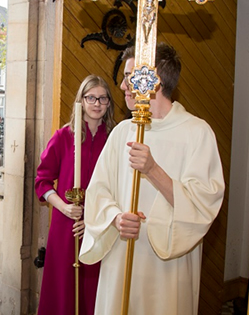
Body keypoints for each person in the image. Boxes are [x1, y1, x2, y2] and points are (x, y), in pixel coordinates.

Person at [79, 43, 225, 314]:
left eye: (128, 77)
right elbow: (98, 191)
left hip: (167, 269)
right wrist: (115, 218)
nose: (122, 87)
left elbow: (204, 206)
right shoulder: (123, 131)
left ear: (152, 81)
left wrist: (153, 171)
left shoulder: (197, 133)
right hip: (121, 259)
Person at [35, 75, 116, 315]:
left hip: (99, 226)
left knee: (93, 288)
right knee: (63, 288)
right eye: (91, 97)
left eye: (103, 98)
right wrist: (64, 207)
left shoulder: (114, 139)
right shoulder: (63, 137)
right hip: (65, 225)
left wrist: (94, 217)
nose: (97, 103)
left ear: (109, 103)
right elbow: (42, 181)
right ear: (80, 101)